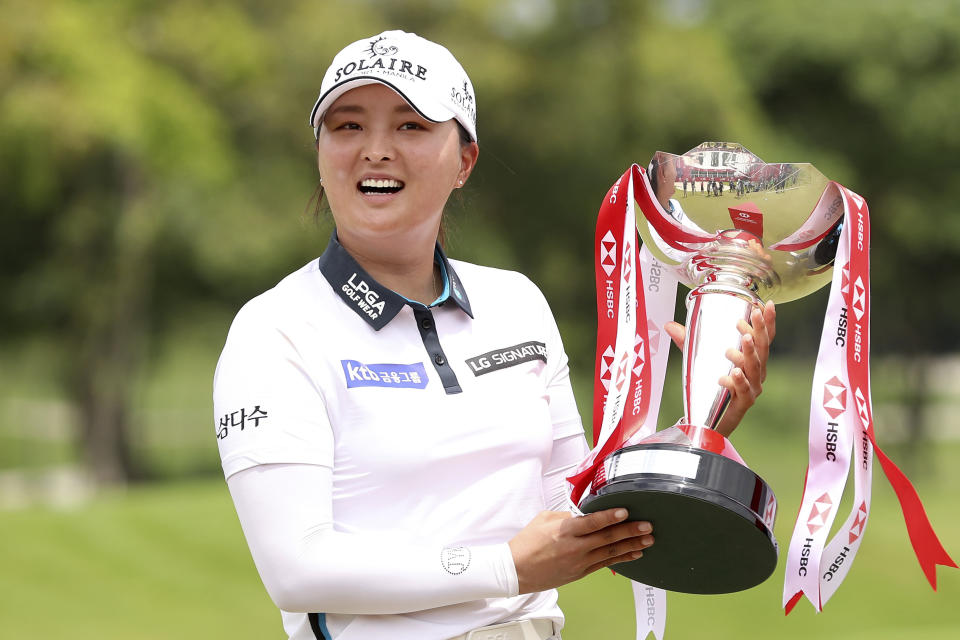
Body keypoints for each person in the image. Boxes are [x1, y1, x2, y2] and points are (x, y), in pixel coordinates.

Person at [214, 30, 775, 640]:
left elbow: (575, 511)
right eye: (347, 126)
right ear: (319, 154)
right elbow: (298, 572)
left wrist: (699, 430)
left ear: (465, 161)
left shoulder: (517, 303)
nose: (375, 150)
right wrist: (502, 568)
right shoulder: (275, 330)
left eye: (411, 126)